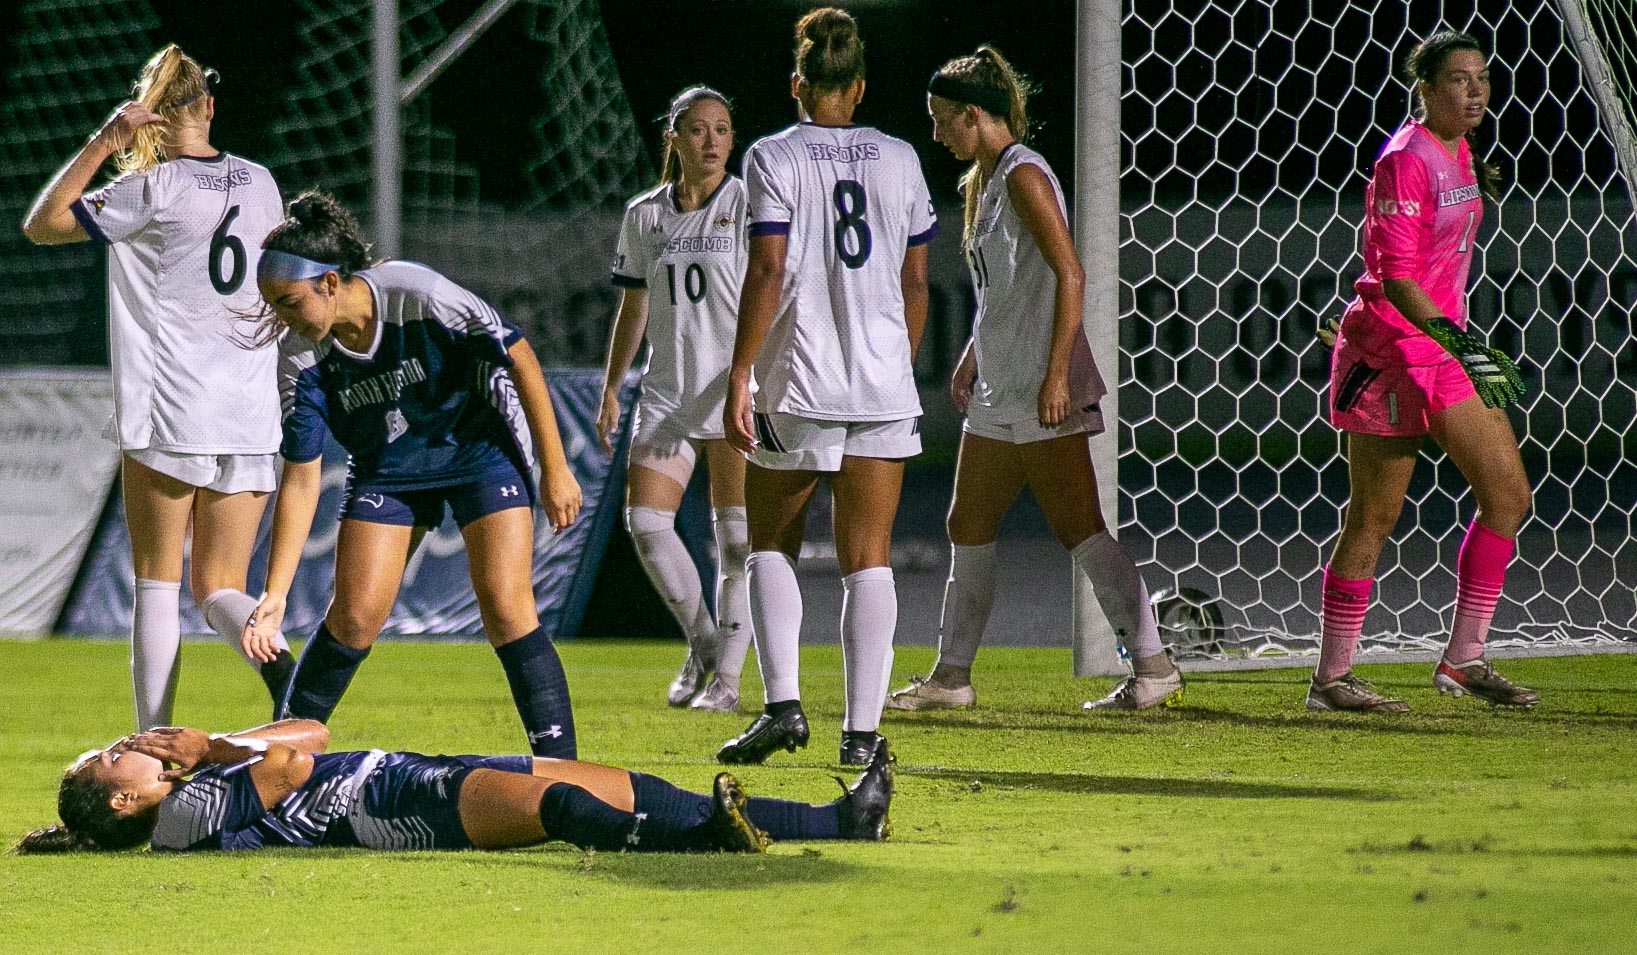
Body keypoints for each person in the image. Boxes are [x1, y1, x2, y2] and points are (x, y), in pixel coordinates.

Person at [886, 47, 1184, 715]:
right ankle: (952, 675)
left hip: (1037, 389)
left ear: (972, 115)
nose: (935, 134)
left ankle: (1153, 665)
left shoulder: (1023, 174)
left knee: (1080, 527)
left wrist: (1056, 377)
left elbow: (1069, 274)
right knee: (967, 520)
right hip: (999, 390)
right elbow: (1004, 292)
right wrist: (970, 355)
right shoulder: (984, 181)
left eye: (941, 121)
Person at [243, 191, 586, 756]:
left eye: (288, 302)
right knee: (353, 619)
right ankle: (279, 757)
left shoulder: (417, 293)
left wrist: (556, 467)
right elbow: (302, 477)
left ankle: (562, 767)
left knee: (506, 607)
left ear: (330, 283)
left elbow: (518, 353)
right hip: (387, 470)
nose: (281, 319)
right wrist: (276, 593)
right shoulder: (300, 358)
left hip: (476, 449)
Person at [19, 44, 295, 728]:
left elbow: (43, 223)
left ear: (148, 118)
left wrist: (102, 142)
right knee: (220, 587)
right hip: (250, 408)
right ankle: (287, 676)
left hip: (172, 406)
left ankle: (152, 740)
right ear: (208, 105)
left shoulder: (149, 188)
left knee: (157, 582)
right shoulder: (261, 183)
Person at [715, 7, 936, 768]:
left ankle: (782, 708)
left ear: (796, 83)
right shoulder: (903, 158)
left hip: (800, 378)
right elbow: (916, 282)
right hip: (882, 382)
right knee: (866, 555)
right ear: (861, 86)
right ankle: (862, 733)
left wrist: (740, 371)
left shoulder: (772, 157)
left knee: (769, 542)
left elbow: (769, 269)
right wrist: (890, 363)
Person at [1311, 31, 1533, 712]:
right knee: (1374, 516)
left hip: (1438, 349)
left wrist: (1455, 344)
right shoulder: (1404, 161)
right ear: (1426, 88)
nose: (1473, 91)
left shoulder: (1458, 150)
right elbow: (1398, 277)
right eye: (1458, 80)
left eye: (1481, 78)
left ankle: (1462, 658)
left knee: (1507, 495)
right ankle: (1330, 680)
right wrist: (1460, 341)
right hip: (1388, 353)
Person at [13, 718, 893, 854]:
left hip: (398, 771)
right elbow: (288, 762)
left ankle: (838, 820)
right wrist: (211, 746)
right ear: (125, 799)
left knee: (630, 781)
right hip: (392, 804)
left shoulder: (194, 779)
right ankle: (708, 840)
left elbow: (312, 730)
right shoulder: (186, 814)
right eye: (112, 757)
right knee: (557, 808)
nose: (128, 744)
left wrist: (212, 741)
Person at [598, 86, 751, 712]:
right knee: (647, 523)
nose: (711, 141)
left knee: (738, 542)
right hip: (667, 391)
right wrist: (612, 383)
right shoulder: (644, 215)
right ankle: (705, 644)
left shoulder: (749, 204)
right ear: (674, 138)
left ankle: (730, 683)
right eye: (697, 129)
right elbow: (634, 304)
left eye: (721, 128)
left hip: (735, 388)